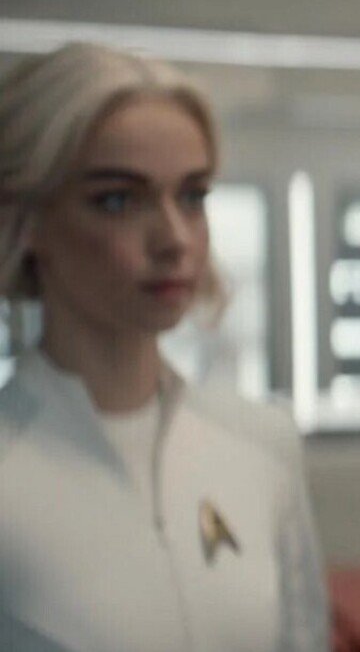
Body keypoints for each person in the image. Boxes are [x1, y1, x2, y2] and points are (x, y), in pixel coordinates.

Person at [0, 43, 329, 652]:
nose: (175, 239)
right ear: (29, 218)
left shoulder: (263, 444)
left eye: (193, 196)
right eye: (118, 199)